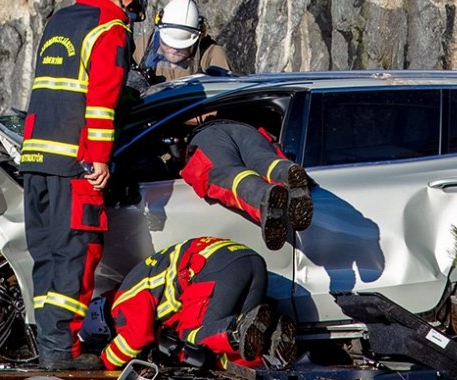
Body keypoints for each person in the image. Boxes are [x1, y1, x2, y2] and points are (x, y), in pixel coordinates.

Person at [20, 0, 145, 370]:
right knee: (77, 252)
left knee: (46, 255)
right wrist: (100, 158)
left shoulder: (61, 20)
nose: (131, 18)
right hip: (76, 161)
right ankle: (61, 351)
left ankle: (50, 345)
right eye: (133, 10)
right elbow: (101, 101)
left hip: (35, 156)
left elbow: (55, 91)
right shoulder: (111, 28)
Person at [97, 236, 295, 371]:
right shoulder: (139, 279)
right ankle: (271, 341)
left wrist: (104, 362)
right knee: (242, 344)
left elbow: (135, 337)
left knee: (191, 337)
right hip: (246, 260)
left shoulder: (122, 299)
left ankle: (237, 329)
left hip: (213, 268)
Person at [180, 119, 313, 250]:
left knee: (230, 174)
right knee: (264, 162)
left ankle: (263, 196)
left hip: (207, 137)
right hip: (247, 129)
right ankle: (285, 172)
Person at [138, 0, 231, 84]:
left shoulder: (210, 54)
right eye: (167, 44)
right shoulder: (144, 46)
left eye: (181, 47)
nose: (173, 50)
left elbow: (224, 89)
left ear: (198, 38)